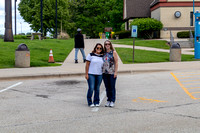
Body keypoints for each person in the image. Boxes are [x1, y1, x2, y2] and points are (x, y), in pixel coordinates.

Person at [85, 43, 104, 107]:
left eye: (100, 48)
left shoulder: (102, 56)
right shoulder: (90, 55)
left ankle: (96, 101)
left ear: (102, 49)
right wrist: (86, 74)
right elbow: (87, 65)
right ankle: (90, 102)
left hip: (99, 74)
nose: (99, 49)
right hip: (91, 74)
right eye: (97, 48)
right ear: (95, 48)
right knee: (91, 88)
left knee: (97, 88)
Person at [103, 40, 118, 107]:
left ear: (110, 45)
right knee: (107, 87)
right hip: (104, 73)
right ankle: (108, 100)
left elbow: (116, 62)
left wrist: (115, 72)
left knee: (112, 87)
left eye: (108, 44)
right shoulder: (103, 52)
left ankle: (112, 100)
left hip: (111, 72)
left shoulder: (113, 52)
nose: (107, 45)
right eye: (106, 44)